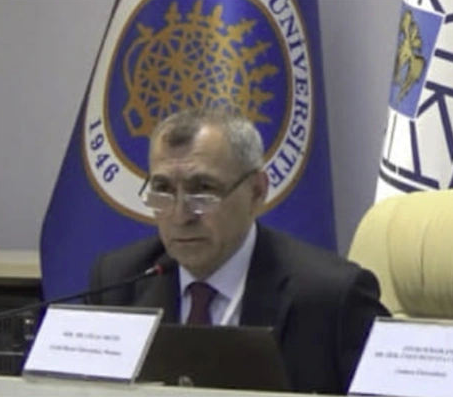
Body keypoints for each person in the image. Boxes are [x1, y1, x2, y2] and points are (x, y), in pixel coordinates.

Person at [87, 107, 390, 394]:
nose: (180, 216)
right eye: (163, 190)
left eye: (203, 190)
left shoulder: (332, 297)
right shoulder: (119, 281)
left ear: (257, 192)